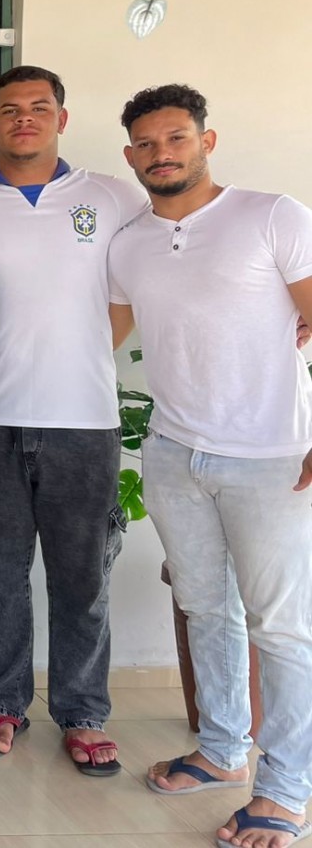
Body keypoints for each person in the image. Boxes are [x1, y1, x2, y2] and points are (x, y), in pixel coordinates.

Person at [107, 85, 312, 848]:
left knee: (281, 629)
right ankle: (223, 751)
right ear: (131, 155)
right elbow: (95, 338)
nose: (162, 153)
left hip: (272, 458)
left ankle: (286, 793)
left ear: (207, 140)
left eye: (177, 138)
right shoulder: (128, 244)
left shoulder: (272, 216)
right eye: (147, 143)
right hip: (172, 452)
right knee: (205, 610)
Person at [0, 66, 146, 774]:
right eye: (10, 108)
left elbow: (142, 281)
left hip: (83, 420)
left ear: (62, 118)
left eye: (39, 107)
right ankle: (1, 701)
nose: (24, 118)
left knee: (82, 579)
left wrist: (79, 352)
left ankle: (83, 713)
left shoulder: (114, 196)